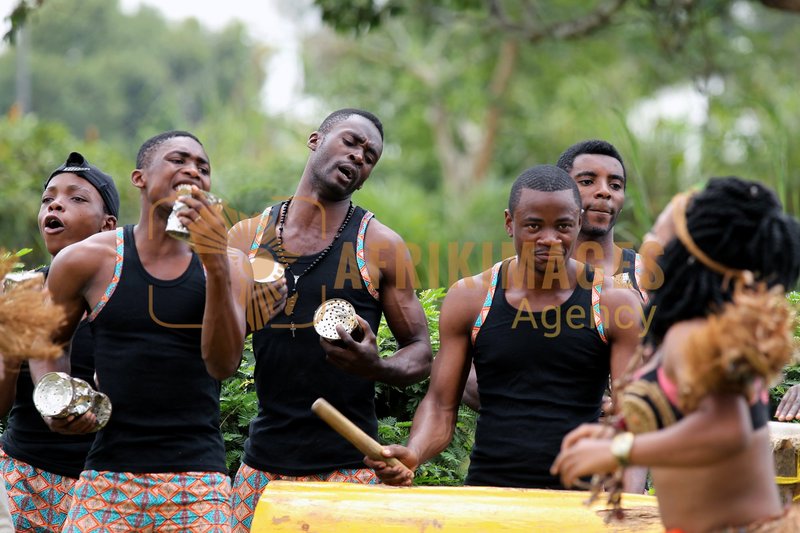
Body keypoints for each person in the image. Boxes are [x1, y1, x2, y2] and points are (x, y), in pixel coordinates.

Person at [366, 164, 642, 489]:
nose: (549, 239)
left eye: (563, 226)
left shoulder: (613, 302)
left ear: (579, 222)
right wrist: (413, 452)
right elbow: (441, 405)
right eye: (534, 226)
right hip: (490, 497)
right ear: (510, 223)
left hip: (579, 503)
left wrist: (627, 502)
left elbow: (631, 422)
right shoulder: (470, 298)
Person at [29, 131, 250, 532]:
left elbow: (223, 364)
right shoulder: (87, 259)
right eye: (178, 160)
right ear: (140, 178)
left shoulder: (232, 264)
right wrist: (54, 397)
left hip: (199, 482)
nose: (192, 171)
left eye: (203, 167)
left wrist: (215, 265)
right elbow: (47, 342)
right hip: (106, 478)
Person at [551, 177, 800, 531]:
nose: (647, 242)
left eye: (657, 231)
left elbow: (727, 429)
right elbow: (690, 419)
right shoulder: (705, 326)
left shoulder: (697, 334)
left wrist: (620, 449)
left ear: (687, 249)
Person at [227, 108, 432, 531]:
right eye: (351, 142)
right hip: (261, 469)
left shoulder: (380, 245)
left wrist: (377, 366)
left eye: (370, 156)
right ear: (316, 140)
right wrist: (248, 317)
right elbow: (213, 343)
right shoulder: (246, 237)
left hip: (350, 468)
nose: (359, 156)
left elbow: (421, 352)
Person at [462, 139, 646, 412]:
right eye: (587, 182)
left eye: (615, 185)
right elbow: (466, 374)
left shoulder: (645, 277)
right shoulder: (514, 278)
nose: (604, 192)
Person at [0, 152, 118, 532]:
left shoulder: (129, 298)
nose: (55, 204)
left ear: (108, 225)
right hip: (23, 481)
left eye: (76, 198)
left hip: (108, 490)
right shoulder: (20, 294)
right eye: (48, 197)